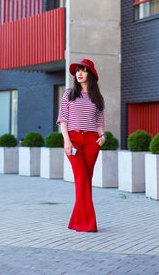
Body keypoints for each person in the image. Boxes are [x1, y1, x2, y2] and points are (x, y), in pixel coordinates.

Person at [57, 59, 106, 232]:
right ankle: (87, 224)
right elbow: (62, 119)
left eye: (84, 71)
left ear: (90, 75)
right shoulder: (68, 94)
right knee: (82, 179)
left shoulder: (96, 97)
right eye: (78, 70)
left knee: (86, 180)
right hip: (74, 139)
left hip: (92, 141)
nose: (79, 73)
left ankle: (75, 220)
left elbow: (99, 120)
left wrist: (102, 136)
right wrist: (67, 141)